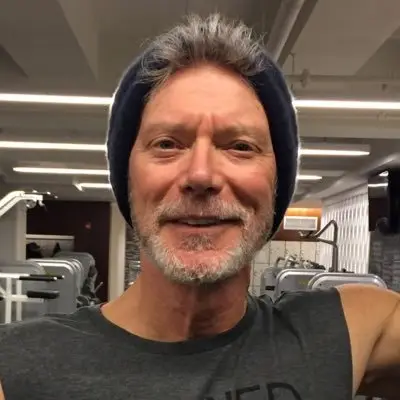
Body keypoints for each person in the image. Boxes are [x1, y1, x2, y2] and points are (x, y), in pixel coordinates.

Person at [0, 14, 399, 400]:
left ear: (276, 185)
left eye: (240, 146)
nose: (201, 174)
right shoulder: (17, 366)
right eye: (167, 144)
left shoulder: (348, 331)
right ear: (128, 178)